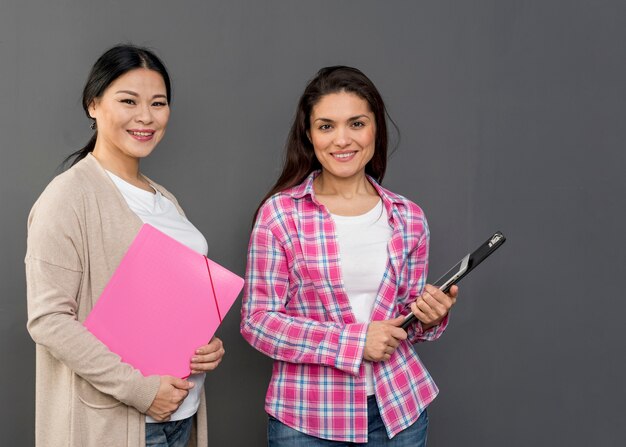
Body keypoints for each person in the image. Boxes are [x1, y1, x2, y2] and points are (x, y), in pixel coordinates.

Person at [241, 66, 458, 446]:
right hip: (308, 419)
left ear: (376, 129)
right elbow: (258, 322)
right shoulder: (280, 215)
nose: (342, 139)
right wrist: (355, 343)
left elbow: (405, 322)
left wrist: (430, 314)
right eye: (326, 126)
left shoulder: (408, 217)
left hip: (400, 410)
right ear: (309, 135)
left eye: (356, 124)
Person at [25, 44, 224, 447]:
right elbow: (48, 320)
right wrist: (142, 391)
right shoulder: (68, 197)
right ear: (93, 104)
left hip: (180, 414)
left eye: (158, 103)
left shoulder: (164, 198)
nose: (146, 117)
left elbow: (171, 301)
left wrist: (207, 345)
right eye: (128, 101)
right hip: (119, 423)